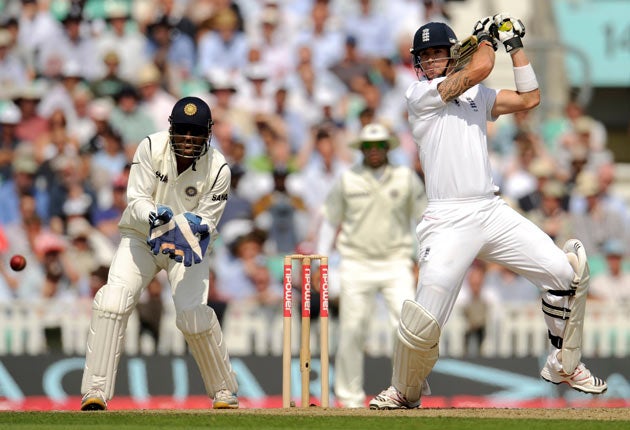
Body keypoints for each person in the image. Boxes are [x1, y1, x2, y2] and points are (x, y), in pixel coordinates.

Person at [369, 17, 607, 410]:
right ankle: (404, 390)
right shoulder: (420, 94)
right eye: (424, 55)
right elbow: (479, 66)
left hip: (490, 209)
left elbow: (530, 99)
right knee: (424, 318)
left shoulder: (478, 95)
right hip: (446, 219)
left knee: (564, 274)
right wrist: (485, 38)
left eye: (437, 53)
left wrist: (514, 46)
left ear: (451, 53)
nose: (430, 61)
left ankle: (564, 362)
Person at [80, 96, 239, 411]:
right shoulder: (151, 147)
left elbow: (207, 220)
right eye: (182, 130)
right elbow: (136, 198)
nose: (189, 138)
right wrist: (156, 217)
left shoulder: (219, 167)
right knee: (113, 301)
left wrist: (188, 230)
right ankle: (95, 392)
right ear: (171, 129)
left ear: (207, 133)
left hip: (187, 246)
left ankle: (224, 392)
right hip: (141, 237)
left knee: (192, 316)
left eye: (195, 132)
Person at [316, 122, 426, 408]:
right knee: (352, 329)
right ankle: (348, 399)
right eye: (368, 146)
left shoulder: (405, 178)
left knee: (405, 328)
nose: (374, 151)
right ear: (361, 149)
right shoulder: (347, 179)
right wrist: (319, 262)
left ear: (387, 148)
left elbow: (423, 221)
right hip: (356, 262)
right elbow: (330, 220)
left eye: (379, 146)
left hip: (396, 262)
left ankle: (407, 392)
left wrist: (422, 260)